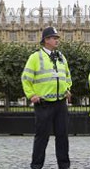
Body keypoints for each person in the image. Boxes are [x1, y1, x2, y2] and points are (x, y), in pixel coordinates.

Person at [21, 26, 72, 169]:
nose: (57, 41)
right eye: (54, 38)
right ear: (46, 40)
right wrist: (31, 95)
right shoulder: (35, 57)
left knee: (63, 137)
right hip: (44, 104)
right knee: (41, 138)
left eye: (57, 38)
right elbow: (26, 78)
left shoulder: (61, 57)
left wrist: (67, 89)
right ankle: (36, 166)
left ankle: (64, 166)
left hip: (60, 103)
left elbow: (67, 76)